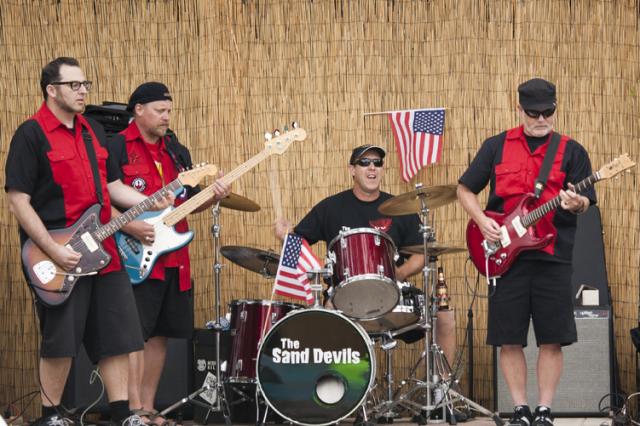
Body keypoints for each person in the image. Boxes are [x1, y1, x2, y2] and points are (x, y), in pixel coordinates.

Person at [4, 57, 172, 426]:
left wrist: (149, 202)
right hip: (59, 252)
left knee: (118, 336)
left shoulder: (93, 131)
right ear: (52, 90)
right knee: (60, 340)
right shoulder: (30, 134)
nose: (83, 91)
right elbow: (18, 201)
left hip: (105, 252)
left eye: (85, 84)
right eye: (74, 85)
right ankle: (51, 415)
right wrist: (53, 249)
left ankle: (122, 414)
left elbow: (111, 188)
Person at [457, 78, 596, 426]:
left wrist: (576, 202)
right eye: (533, 113)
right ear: (519, 109)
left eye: (548, 112)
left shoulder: (572, 150)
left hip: (553, 255)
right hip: (505, 257)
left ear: (555, 108)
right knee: (509, 339)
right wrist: (482, 222)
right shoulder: (496, 146)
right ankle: (520, 409)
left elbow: (585, 202)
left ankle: (545, 410)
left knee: (553, 338)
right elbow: (464, 189)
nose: (541, 119)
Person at [108, 82, 230, 424]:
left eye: (169, 111)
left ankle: (148, 408)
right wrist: (129, 227)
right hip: (135, 256)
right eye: (160, 110)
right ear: (138, 110)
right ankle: (132, 410)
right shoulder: (116, 147)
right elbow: (101, 198)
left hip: (174, 257)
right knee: (134, 334)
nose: (166, 117)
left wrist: (214, 195)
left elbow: (188, 204)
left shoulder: (177, 151)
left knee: (160, 333)